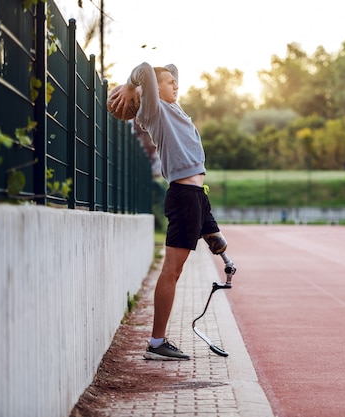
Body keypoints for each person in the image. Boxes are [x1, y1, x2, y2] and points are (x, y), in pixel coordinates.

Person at [109, 62, 222, 361]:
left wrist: (211, 230)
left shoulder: (174, 107)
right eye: (169, 83)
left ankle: (157, 342)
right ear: (152, 91)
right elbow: (146, 68)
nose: (177, 85)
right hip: (184, 196)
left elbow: (166, 68)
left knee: (176, 270)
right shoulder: (153, 112)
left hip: (195, 195)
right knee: (171, 271)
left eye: (175, 82)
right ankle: (156, 343)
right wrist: (133, 86)